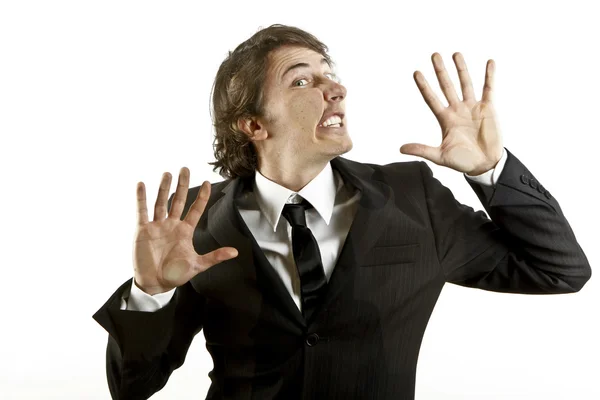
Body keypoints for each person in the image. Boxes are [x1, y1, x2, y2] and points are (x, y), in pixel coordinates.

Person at [92, 24, 591, 400]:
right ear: (253, 124)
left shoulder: (413, 197)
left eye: (330, 75)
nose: (336, 89)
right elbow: (132, 386)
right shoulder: (196, 224)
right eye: (302, 81)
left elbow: (560, 270)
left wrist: (490, 169)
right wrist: (149, 294)